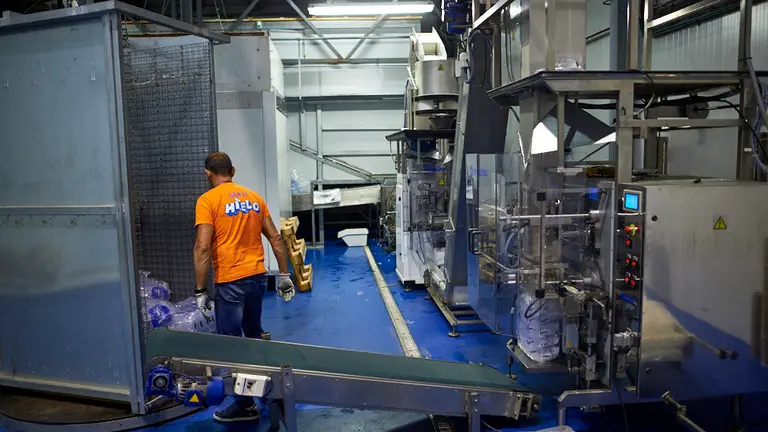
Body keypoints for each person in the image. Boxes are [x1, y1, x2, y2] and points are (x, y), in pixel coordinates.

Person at [192, 151, 295, 422]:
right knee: (253, 336)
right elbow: (275, 237)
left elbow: (203, 246)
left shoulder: (207, 201)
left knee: (231, 344)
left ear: (208, 173)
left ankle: (243, 404)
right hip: (257, 279)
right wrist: (284, 274)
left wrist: (200, 290)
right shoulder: (254, 197)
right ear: (233, 171)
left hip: (230, 282)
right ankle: (269, 393)